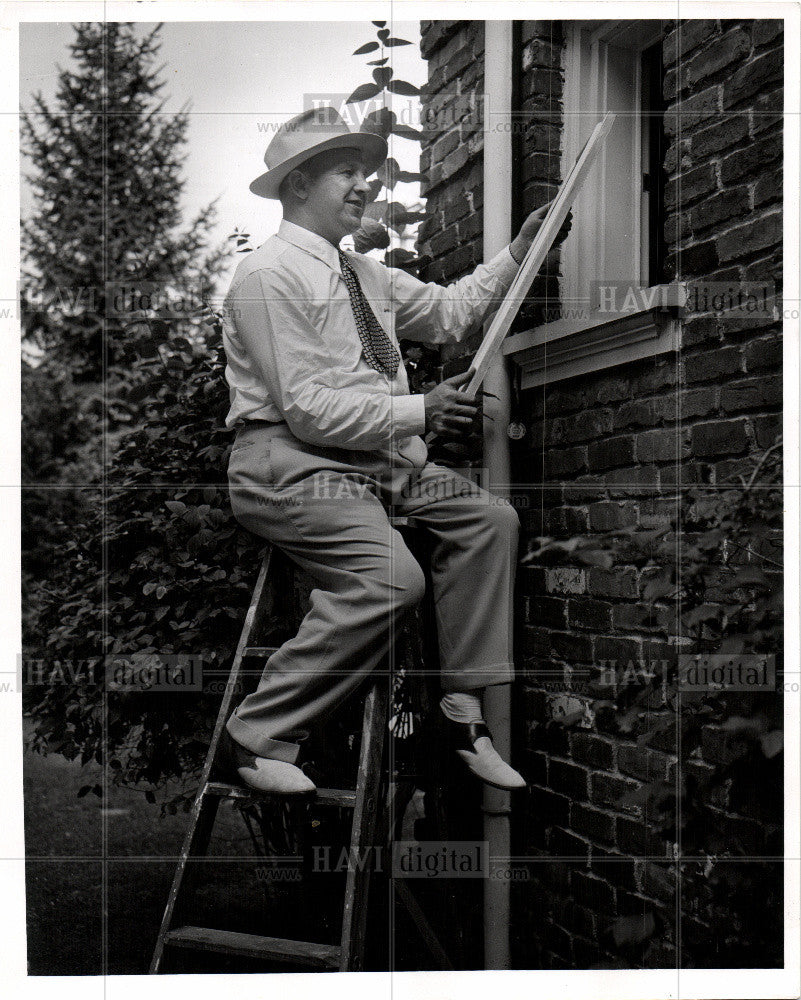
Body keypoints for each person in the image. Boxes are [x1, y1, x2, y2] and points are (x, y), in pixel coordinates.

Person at [221, 107, 548, 795]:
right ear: (298, 183)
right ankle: (257, 736)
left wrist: (519, 251)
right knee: (393, 581)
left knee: (490, 522)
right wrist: (422, 409)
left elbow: (452, 312)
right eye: (347, 171)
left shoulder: (364, 275)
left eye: (365, 172)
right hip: (288, 461)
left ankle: (461, 710)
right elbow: (307, 410)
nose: (363, 184)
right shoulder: (267, 277)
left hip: (373, 459)